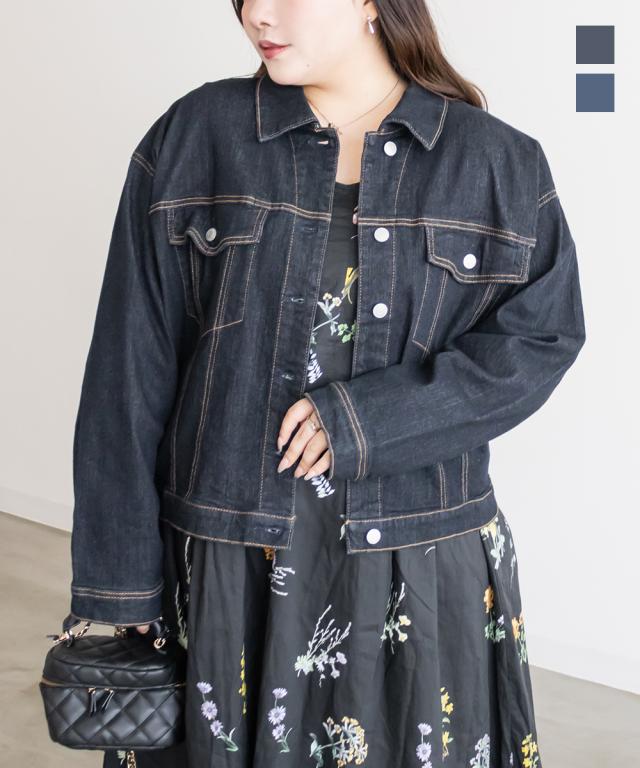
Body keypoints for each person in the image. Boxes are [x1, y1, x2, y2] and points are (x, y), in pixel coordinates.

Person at [71, 1, 587, 766]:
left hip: (418, 562)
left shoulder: (496, 162)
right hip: (225, 563)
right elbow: (127, 372)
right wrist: (119, 581)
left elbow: (542, 339)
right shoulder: (197, 135)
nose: (258, 15)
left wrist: (369, 421)